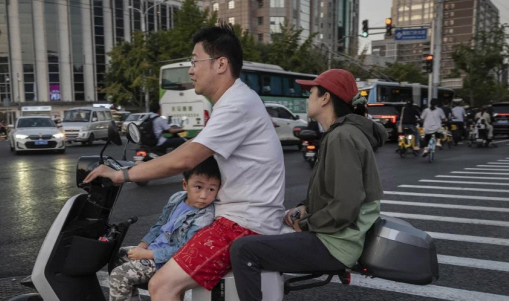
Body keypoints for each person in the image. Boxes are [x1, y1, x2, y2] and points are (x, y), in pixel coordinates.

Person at [83, 22, 285, 301]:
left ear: (221, 64)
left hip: (244, 225)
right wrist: (132, 167)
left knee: (163, 286)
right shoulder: (234, 101)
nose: (190, 69)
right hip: (236, 218)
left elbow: (187, 158)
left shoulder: (237, 103)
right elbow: (191, 146)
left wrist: (122, 176)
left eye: (194, 61)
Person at [229, 69, 387, 301]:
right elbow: (335, 192)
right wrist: (304, 208)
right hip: (336, 237)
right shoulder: (341, 134)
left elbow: (346, 205)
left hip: (335, 243)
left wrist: (306, 224)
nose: (307, 99)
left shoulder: (342, 137)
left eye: (311, 92)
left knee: (243, 250)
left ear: (325, 98)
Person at [108, 157, 220, 301]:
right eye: (198, 187)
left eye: (211, 189)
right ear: (185, 184)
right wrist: (142, 246)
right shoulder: (177, 199)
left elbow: (184, 250)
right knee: (117, 256)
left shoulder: (204, 216)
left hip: (168, 261)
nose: (204, 196)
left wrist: (147, 254)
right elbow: (160, 225)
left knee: (120, 275)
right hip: (154, 250)